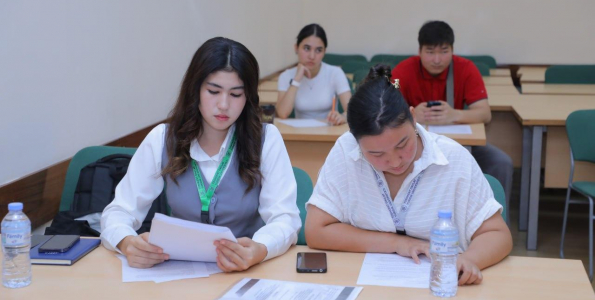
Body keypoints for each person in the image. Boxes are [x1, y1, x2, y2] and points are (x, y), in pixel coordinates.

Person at [100, 37, 301, 272]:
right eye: (213, 91)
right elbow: (118, 212)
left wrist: (260, 249)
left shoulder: (266, 140)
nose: (224, 105)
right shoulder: (162, 139)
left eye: (236, 94)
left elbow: (285, 219)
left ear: (248, 97)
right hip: (176, 275)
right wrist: (126, 243)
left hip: (246, 274)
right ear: (195, 89)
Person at [305, 65, 512, 286]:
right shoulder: (345, 151)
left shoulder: (453, 159)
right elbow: (316, 230)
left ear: (413, 118)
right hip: (366, 287)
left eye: (403, 144)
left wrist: (468, 260)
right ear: (355, 141)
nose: (394, 162)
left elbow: (498, 235)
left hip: (442, 287)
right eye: (376, 154)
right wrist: (396, 243)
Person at [391, 21, 513, 216]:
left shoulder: (466, 68)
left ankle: (496, 221)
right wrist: (411, 115)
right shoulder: (401, 72)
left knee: (501, 162)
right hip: (415, 144)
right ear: (419, 51)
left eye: (444, 51)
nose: (437, 59)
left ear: (453, 50)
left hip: (462, 142)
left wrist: (455, 115)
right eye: (430, 52)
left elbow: (485, 113)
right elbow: (387, 111)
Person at [276, 23, 352, 125]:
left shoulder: (335, 73)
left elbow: (352, 112)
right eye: (307, 48)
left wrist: (342, 117)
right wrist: (296, 80)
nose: (312, 56)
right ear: (296, 48)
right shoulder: (286, 76)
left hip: (330, 134)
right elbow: (282, 113)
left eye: (318, 50)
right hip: (300, 135)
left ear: (324, 52)